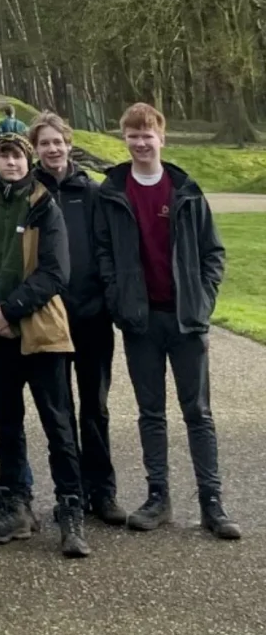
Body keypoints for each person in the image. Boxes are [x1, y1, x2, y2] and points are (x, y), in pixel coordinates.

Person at [93, 103, 239, 540]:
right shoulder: (112, 191)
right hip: (141, 321)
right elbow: (104, 253)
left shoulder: (186, 191)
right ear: (125, 139)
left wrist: (202, 300)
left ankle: (212, 501)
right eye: (133, 135)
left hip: (186, 320)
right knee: (151, 412)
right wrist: (118, 299)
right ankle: (158, 496)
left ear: (162, 138)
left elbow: (213, 253)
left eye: (148, 134)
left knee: (198, 412)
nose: (141, 142)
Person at [0, 133, 89, 558]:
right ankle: (16, 504)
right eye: (3, 156)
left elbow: (55, 271)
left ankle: (71, 510)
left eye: (16, 156)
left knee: (58, 424)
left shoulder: (44, 205)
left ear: (27, 161)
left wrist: (11, 310)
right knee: (7, 424)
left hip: (40, 333)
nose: (10, 163)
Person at [30, 112, 126, 526]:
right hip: (49, 318)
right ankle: (69, 493)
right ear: (35, 149)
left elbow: (105, 248)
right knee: (60, 411)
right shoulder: (28, 194)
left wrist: (105, 297)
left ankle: (102, 490)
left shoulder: (92, 192)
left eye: (57, 142)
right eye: (44, 143)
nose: (52, 149)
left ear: (69, 144)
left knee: (95, 407)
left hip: (91, 315)